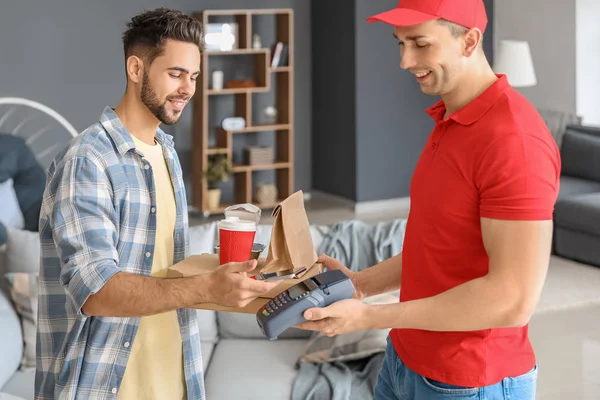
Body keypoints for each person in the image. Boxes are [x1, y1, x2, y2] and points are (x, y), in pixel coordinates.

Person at [296, 0, 560, 399]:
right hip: (405, 360)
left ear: (469, 40)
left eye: (420, 43)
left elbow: (513, 297)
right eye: (400, 43)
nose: (405, 60)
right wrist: (361, 285)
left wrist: (369, 317)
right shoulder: (451, 119)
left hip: (469, 381)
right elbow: (440, 246)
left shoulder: (513, 141)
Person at [35, 8, 280, 400]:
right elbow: (97, 291)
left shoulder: (165, 152)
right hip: (105, 387)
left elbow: (159, 262)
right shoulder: (88, 161)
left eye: (194, 76)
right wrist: (206, 289)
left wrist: (232, 273)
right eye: (175, 73)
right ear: (136, 69)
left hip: (175, 380)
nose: (188, 88)